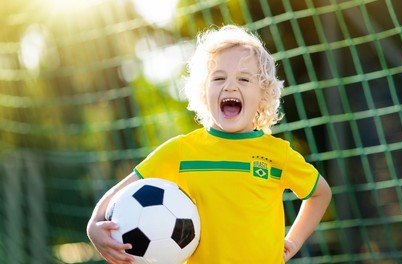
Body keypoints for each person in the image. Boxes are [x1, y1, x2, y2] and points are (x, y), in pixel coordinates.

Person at [87, 24, 332, 264]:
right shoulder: (182, 150)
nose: (230, 85)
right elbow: (122, 190)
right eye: (218, 78)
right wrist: (94, 225)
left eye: (244, 79)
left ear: (263, 95)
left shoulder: (277, 154)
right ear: (203, 92)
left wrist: (294, 240)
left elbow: (320, 193)